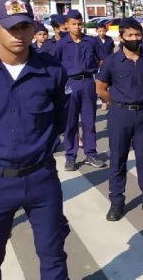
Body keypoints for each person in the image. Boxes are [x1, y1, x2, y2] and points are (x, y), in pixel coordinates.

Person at [0, 0, 70, 278]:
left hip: (41, 178)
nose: (18, 34)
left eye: (24, 27)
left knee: (53, 254)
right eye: (10, 28)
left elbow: (61, 119)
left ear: (33, 28)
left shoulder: (52, 71)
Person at [96, 18, 143, 221]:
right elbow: (101, 89)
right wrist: (118, 102)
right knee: (118, 159)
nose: (134, 38)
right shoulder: (112, 61)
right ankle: (117, 202)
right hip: (119, 115)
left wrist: (142, 100)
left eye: (137, 35)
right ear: (121, 37)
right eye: (130, 35)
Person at [54, 10, 106, 171]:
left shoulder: (91, 41)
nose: (77, 27)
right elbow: (55, 66)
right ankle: (70, 156)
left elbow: (102, 59)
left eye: (79, 24)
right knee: (70, 122)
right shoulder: (62, 44)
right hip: (69, 84)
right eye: (73, 24)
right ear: (67, 25)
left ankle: (91, 153)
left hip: (88, 82)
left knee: (89, 121)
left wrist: (97, 74)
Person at [95, 23, 116, 111]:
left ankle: (110, 99)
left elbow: (112, 50)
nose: (101, 33)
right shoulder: (94, 40)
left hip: (109, 63)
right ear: (96, 31)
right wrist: (97, 61)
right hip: (98, 64)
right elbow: (92, 52)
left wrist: (112, 60)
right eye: (99, 31)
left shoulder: (109, 39)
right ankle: (104, 101)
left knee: (110, 82)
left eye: (103, 31)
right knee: (101, 83)